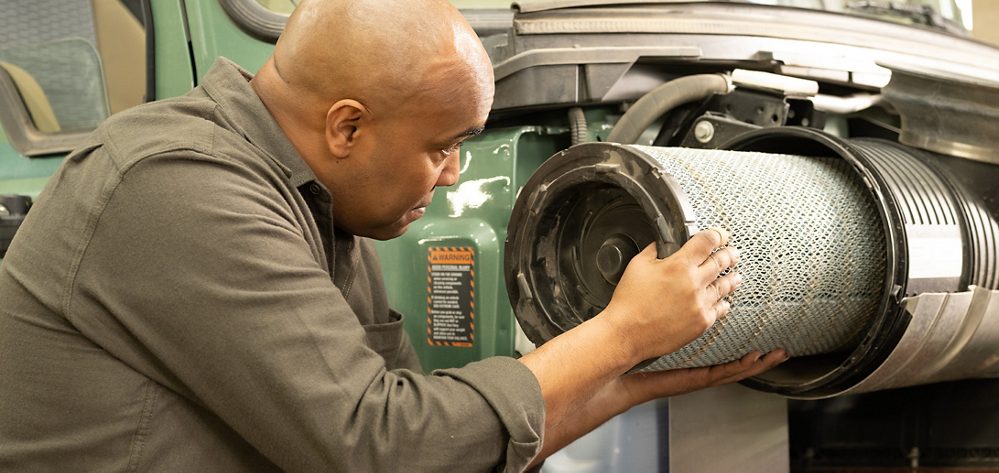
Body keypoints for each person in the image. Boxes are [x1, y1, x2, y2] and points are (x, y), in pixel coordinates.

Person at [0, 0, 787, 471]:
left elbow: (432, 435)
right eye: (440, 147)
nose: (450, 176)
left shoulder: (321, 208)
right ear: (347, 126)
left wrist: (624, 380)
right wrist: (616, 335)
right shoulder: (175, 187)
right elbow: (381, 449)